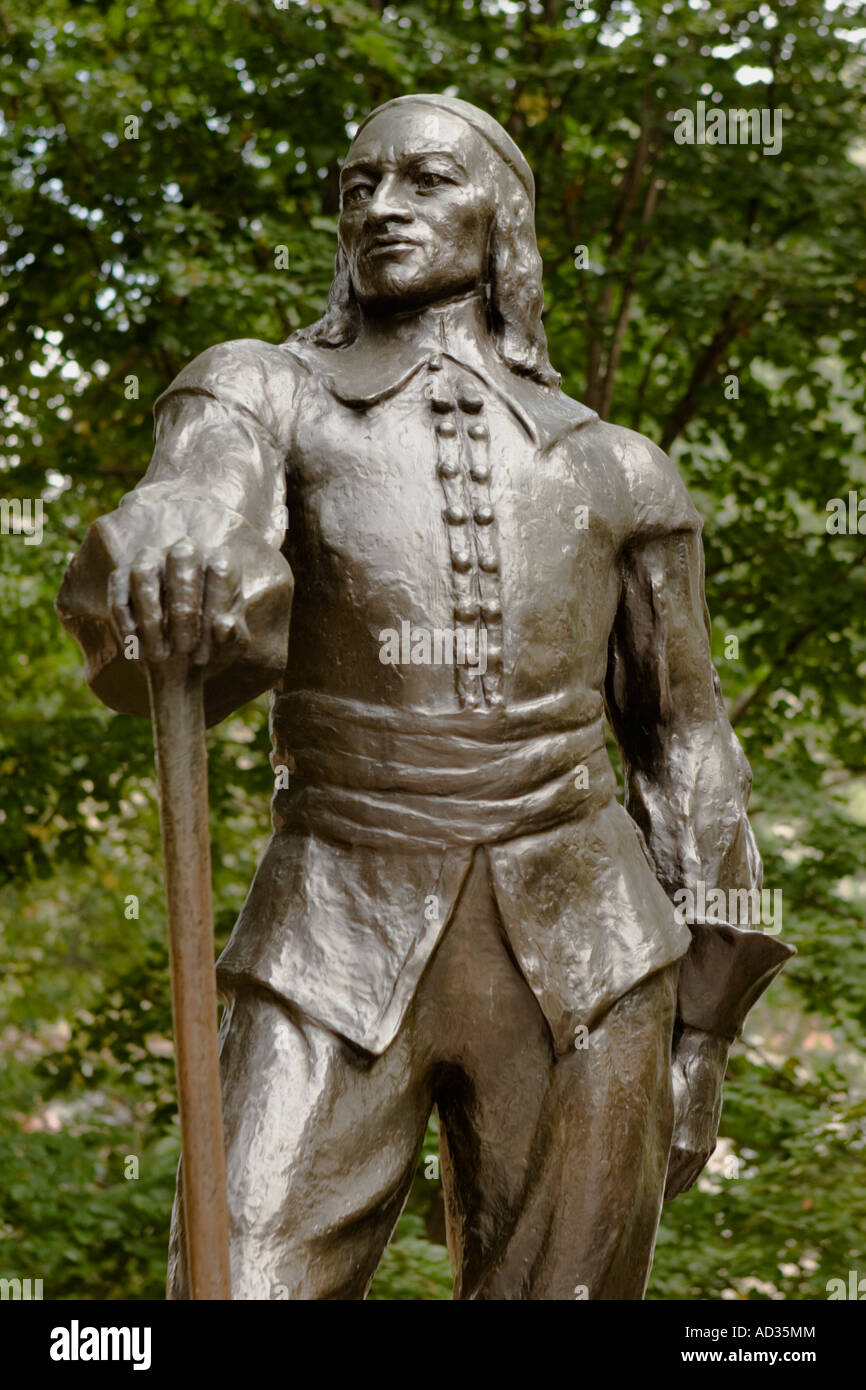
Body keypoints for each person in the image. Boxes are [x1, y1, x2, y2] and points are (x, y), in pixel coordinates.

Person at [58, 93, 792, 1300]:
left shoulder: (618, 466)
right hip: (330, 928)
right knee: (237, 1281)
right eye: (357, 188)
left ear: (500, 215)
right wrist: (174, 535)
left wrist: (702, 1034)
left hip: (590, 949)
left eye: (423, 181)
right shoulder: (261, 390)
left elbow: (689, 747)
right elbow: (199, 491)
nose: (381, 207)